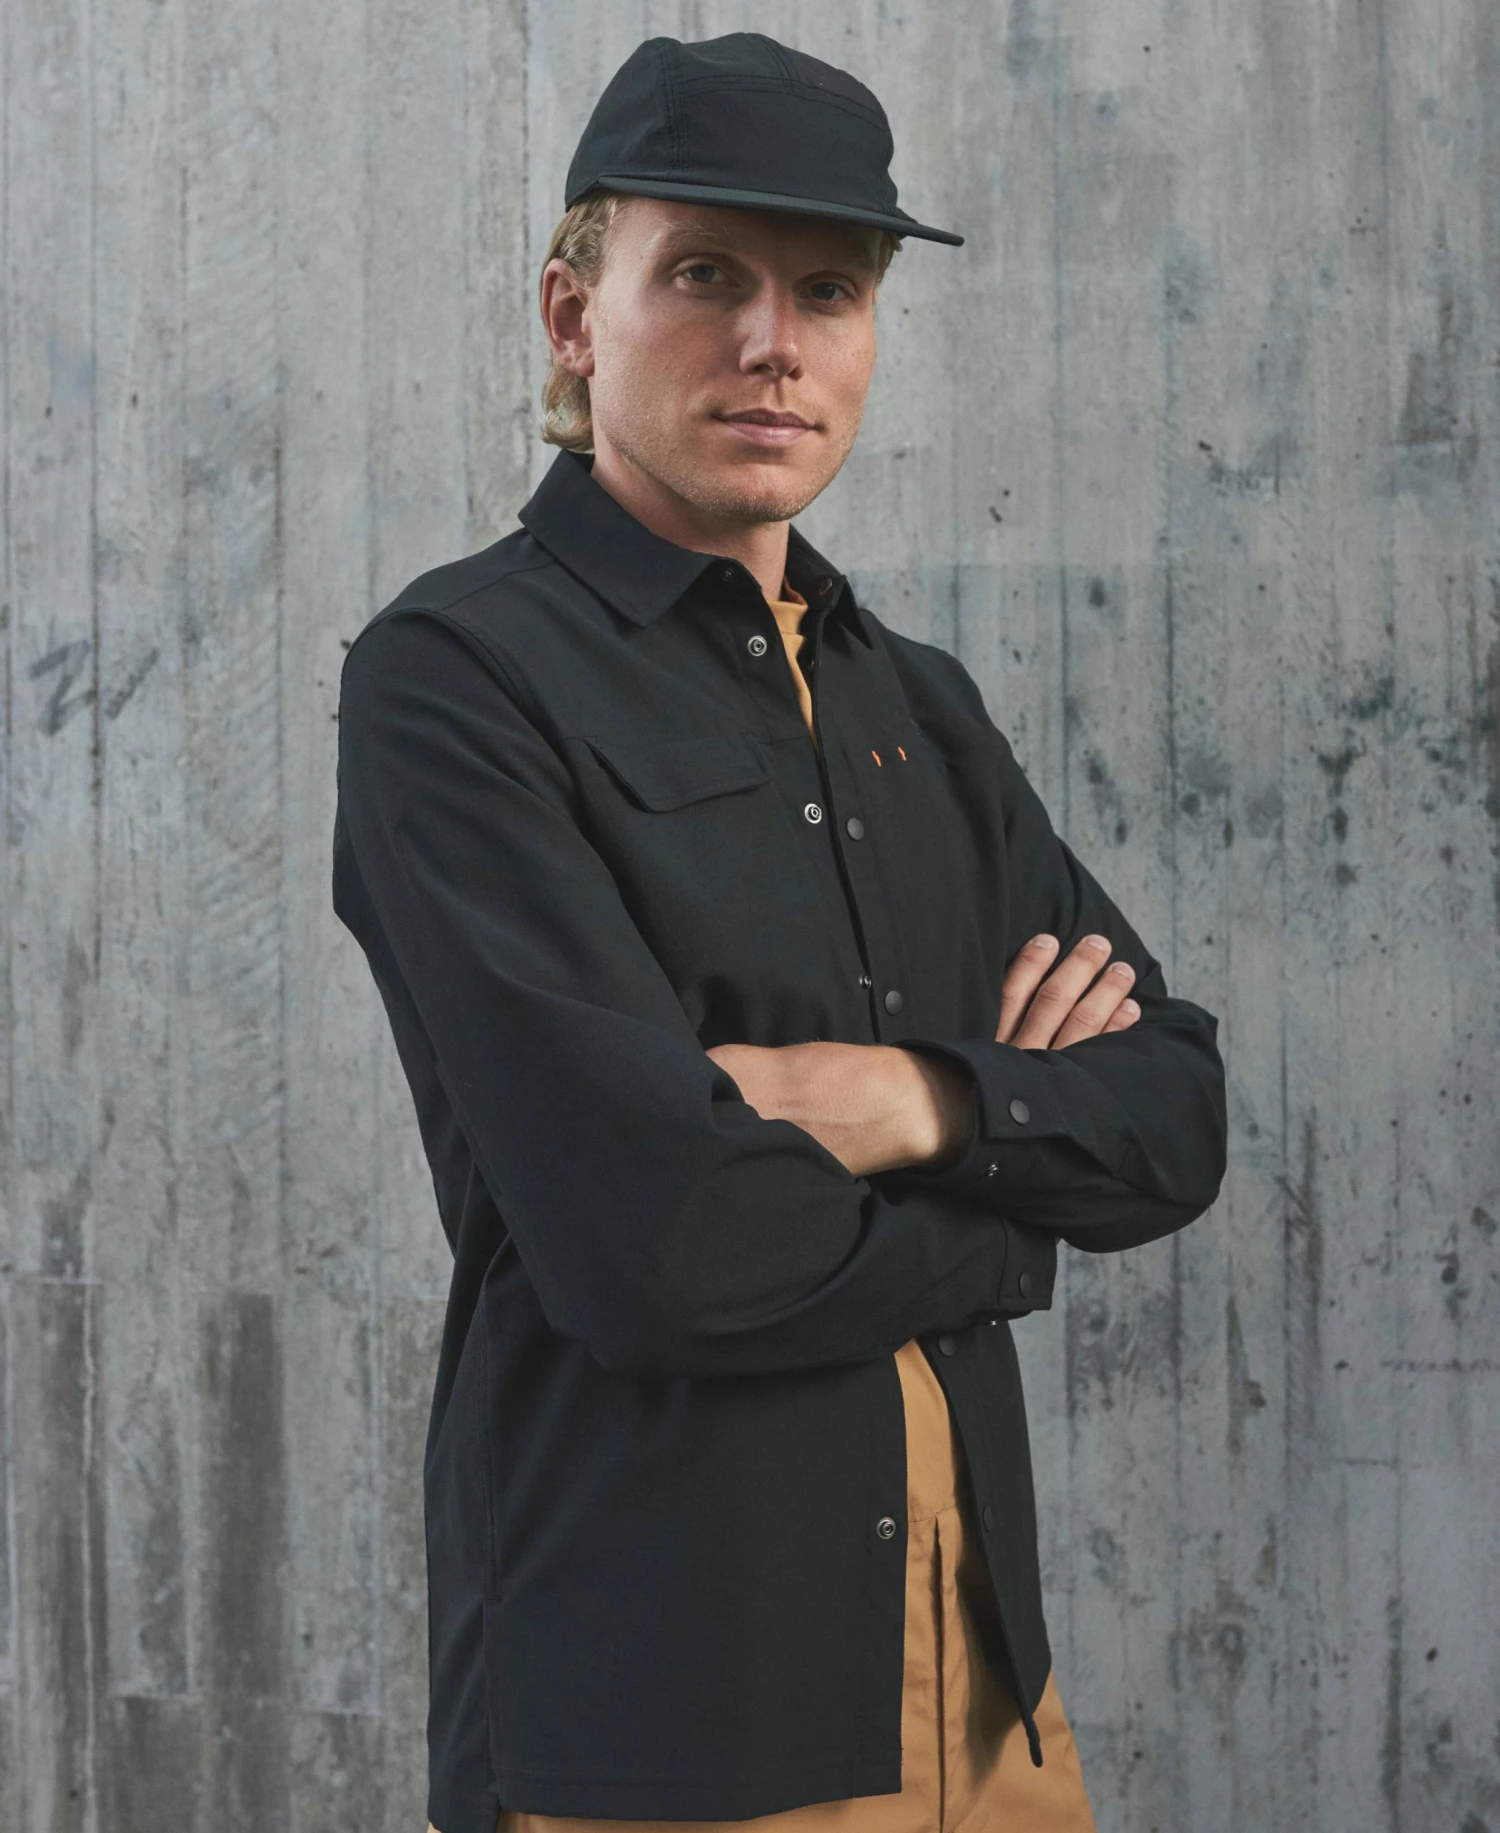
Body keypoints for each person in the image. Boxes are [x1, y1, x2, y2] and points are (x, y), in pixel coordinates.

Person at [333, 31, 1227, 1833]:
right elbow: (659, 1242)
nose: (775, 342)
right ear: (574, 315)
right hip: (674, 1717)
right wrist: (1016, 1212)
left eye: (829, 289)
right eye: (705, 276)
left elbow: (1174, 1117)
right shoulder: (460, 677)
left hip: (989, 1705)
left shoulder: (917, 703)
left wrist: (913, 1102)